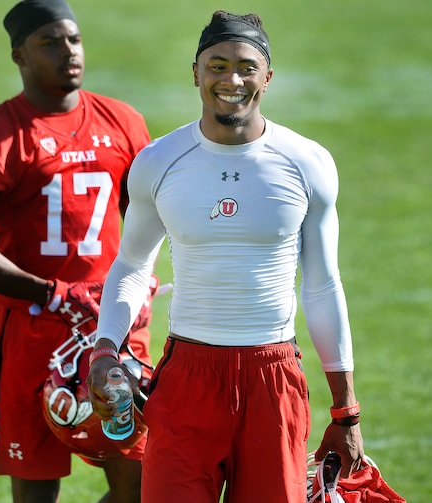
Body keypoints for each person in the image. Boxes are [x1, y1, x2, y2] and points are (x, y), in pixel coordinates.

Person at [86, 9, 365, 503]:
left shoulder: (309, 163)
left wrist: (346, 411)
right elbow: (131, 266)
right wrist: (106, 347)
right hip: (188, 376)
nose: (231, 79)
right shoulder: (157, 161)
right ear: (195, 73)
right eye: (216, 65)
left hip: (273, 377)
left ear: (268, 77)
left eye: (245, 66)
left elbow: (322, 285)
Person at [0, 1, 154, 501]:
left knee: (144, 483)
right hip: (32, 335)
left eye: (73, 40)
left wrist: (142, 282)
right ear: (20, 56)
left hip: (113, 328)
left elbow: (145, 222)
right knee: (36, 489)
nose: (68, 52)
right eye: (49, 43)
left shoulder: (122, 121)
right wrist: (53, 293)